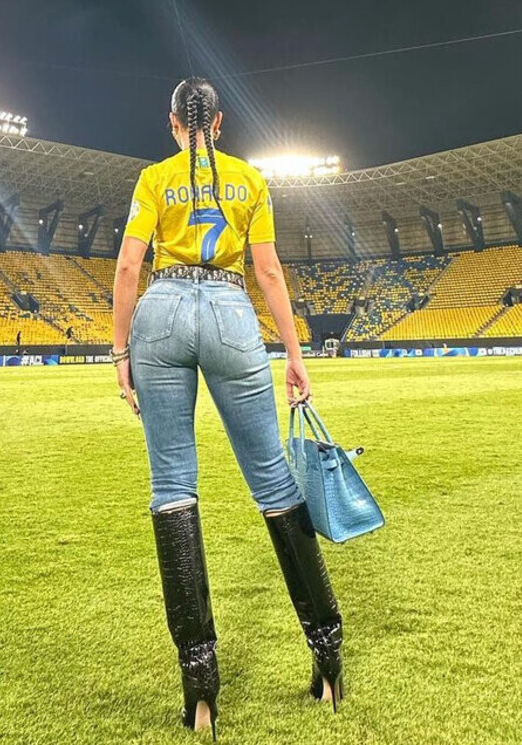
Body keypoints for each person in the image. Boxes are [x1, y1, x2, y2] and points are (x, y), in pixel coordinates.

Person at [111, 78, 343, 737]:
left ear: (172, 123)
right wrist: (295, 354)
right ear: (219, 124)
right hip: (231, 312)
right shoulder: (250, 179)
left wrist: (119, 352)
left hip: (160, 312)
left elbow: (128, 268)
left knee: (172, 489)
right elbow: (268, 272)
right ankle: (327, 655)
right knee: (273, 482)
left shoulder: (154, 179)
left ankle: (200, 690)